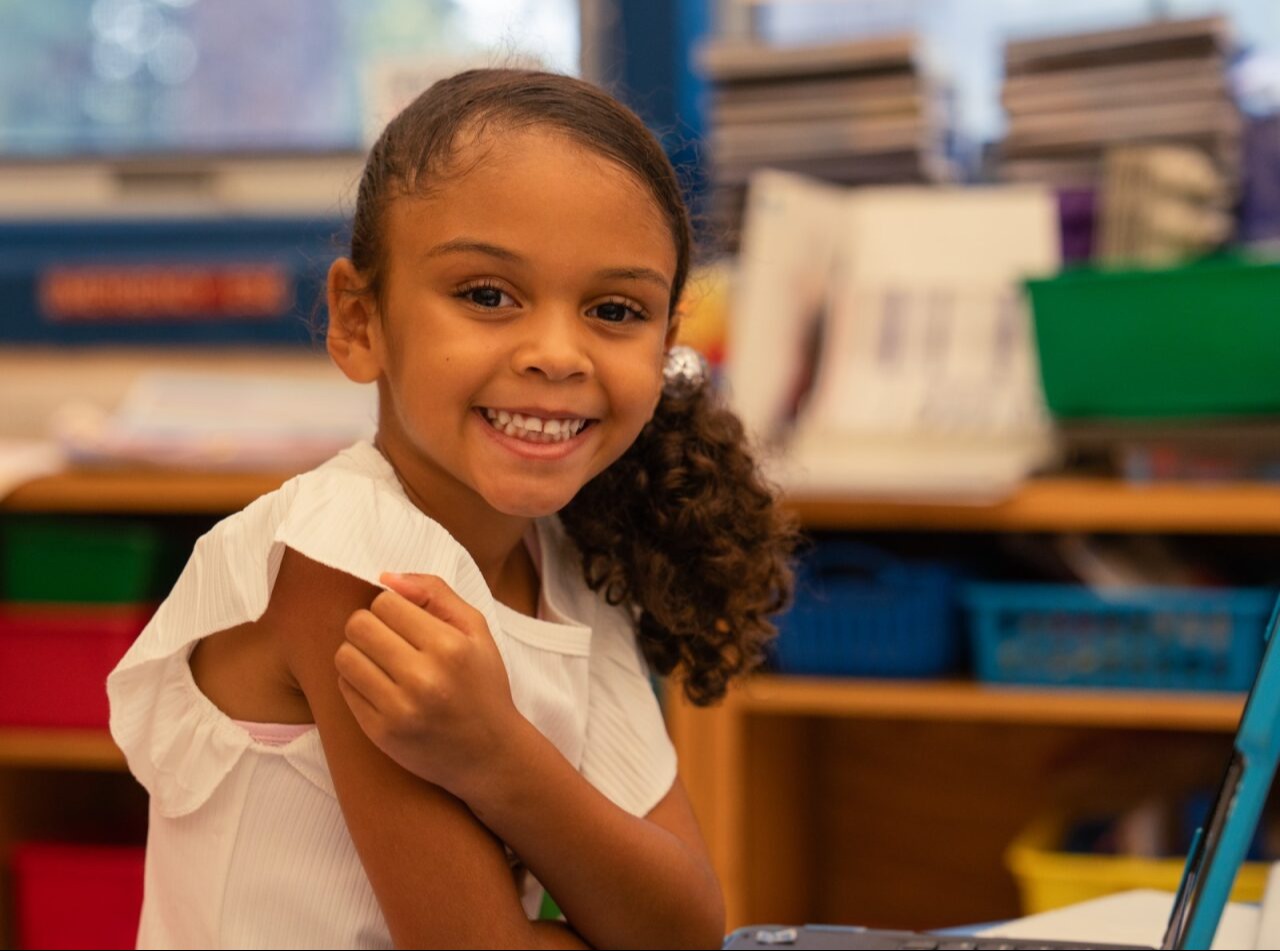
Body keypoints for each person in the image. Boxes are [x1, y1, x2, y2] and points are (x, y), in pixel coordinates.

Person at [107, 68, 797, 950]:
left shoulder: (568, 566)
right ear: (361, 321)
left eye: (614, 309)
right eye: (487, 295)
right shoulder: (345, 562)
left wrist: (497, 754)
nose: (557, 353)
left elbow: (684, 927)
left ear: (665, 346)